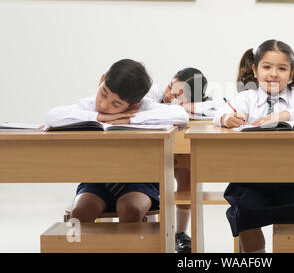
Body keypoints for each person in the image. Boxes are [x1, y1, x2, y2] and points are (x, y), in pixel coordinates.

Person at [213, 39, 294, 253]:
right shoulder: (247, 98)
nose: (274, 73)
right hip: (254, 178)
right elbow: (218, 114)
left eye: (282, 68)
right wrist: (226, 118)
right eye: (267, 67)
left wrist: (285, 114)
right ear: (255, 70)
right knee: (244, 211)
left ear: (291, 73)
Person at [45, 59, 189, 224]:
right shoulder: (89, 105)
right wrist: (100, 118)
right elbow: (52, 116)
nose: (104, 105)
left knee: (130, 210)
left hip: (139, 180)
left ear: (133, 105)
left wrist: (128, 120)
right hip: (98, 180)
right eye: (104, 94)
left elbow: (180, 115)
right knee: (79, 213)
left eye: (116, 104)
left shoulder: (144, 107)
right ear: (102, 79)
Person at [146, 67, 224, 253]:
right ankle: (150, 231)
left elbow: (220, 107)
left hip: (178, 147)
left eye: (179, 95)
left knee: (186, 174)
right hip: (150, 149)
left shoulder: (199, 103)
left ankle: (180, 233)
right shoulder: (152, 92)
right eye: (171, 87)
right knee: (147, 176)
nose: (169, 94)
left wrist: (188, 107)